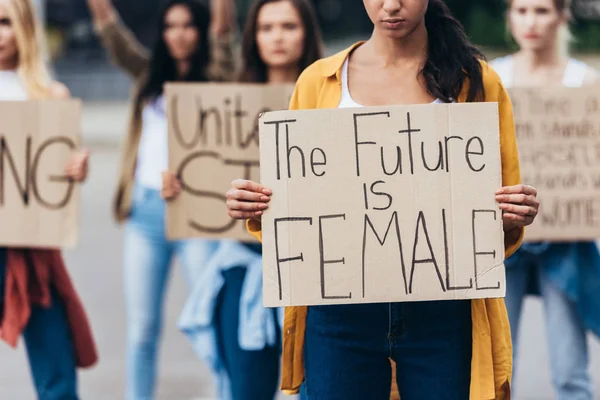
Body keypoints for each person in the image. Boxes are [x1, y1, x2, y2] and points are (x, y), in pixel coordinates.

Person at [226, 0, 541, 399]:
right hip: (338, 312)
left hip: (442, 310)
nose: (391, 5)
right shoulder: (318, 81)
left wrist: (515, 213)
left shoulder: (475, 82)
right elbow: (298, 218)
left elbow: (499, 223)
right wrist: (256, 208)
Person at [161, 1, 323, 398]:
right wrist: (178, 187)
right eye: (267, 28)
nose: (278, 36)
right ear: (253, 37)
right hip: (243, 266)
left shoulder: (331, 100)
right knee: (246, 389)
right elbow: (205, 179)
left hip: (315, 274)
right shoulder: (226, 102)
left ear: (307, 33)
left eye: (289, 26)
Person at [86, 0, 236, 398]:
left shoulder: (216, 79)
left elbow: (223, 33)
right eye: (171, 26)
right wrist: (100, 10)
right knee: (142, 328)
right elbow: (116, 40)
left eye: (188, 25)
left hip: (197, 217)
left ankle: (230, 392)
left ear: (199, 31)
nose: (179, 34)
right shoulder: (148, 78)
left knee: (209, 321)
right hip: (146, 213)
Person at [490, 0, 600, 398]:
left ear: (562, 17)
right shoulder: (492, 78)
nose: (531, 21)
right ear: (510, 18)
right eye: (521, 11)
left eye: (541, 10)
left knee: (571, 368)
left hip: (567, 241)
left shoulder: (586, 82)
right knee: (497, 368)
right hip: (501, 239)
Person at [0, 0, 96, 399]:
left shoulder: (52, 94)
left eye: (4, 22)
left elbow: (56, 174)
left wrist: (77, 167)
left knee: (56, 366)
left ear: (24, 27)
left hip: (34, 248)